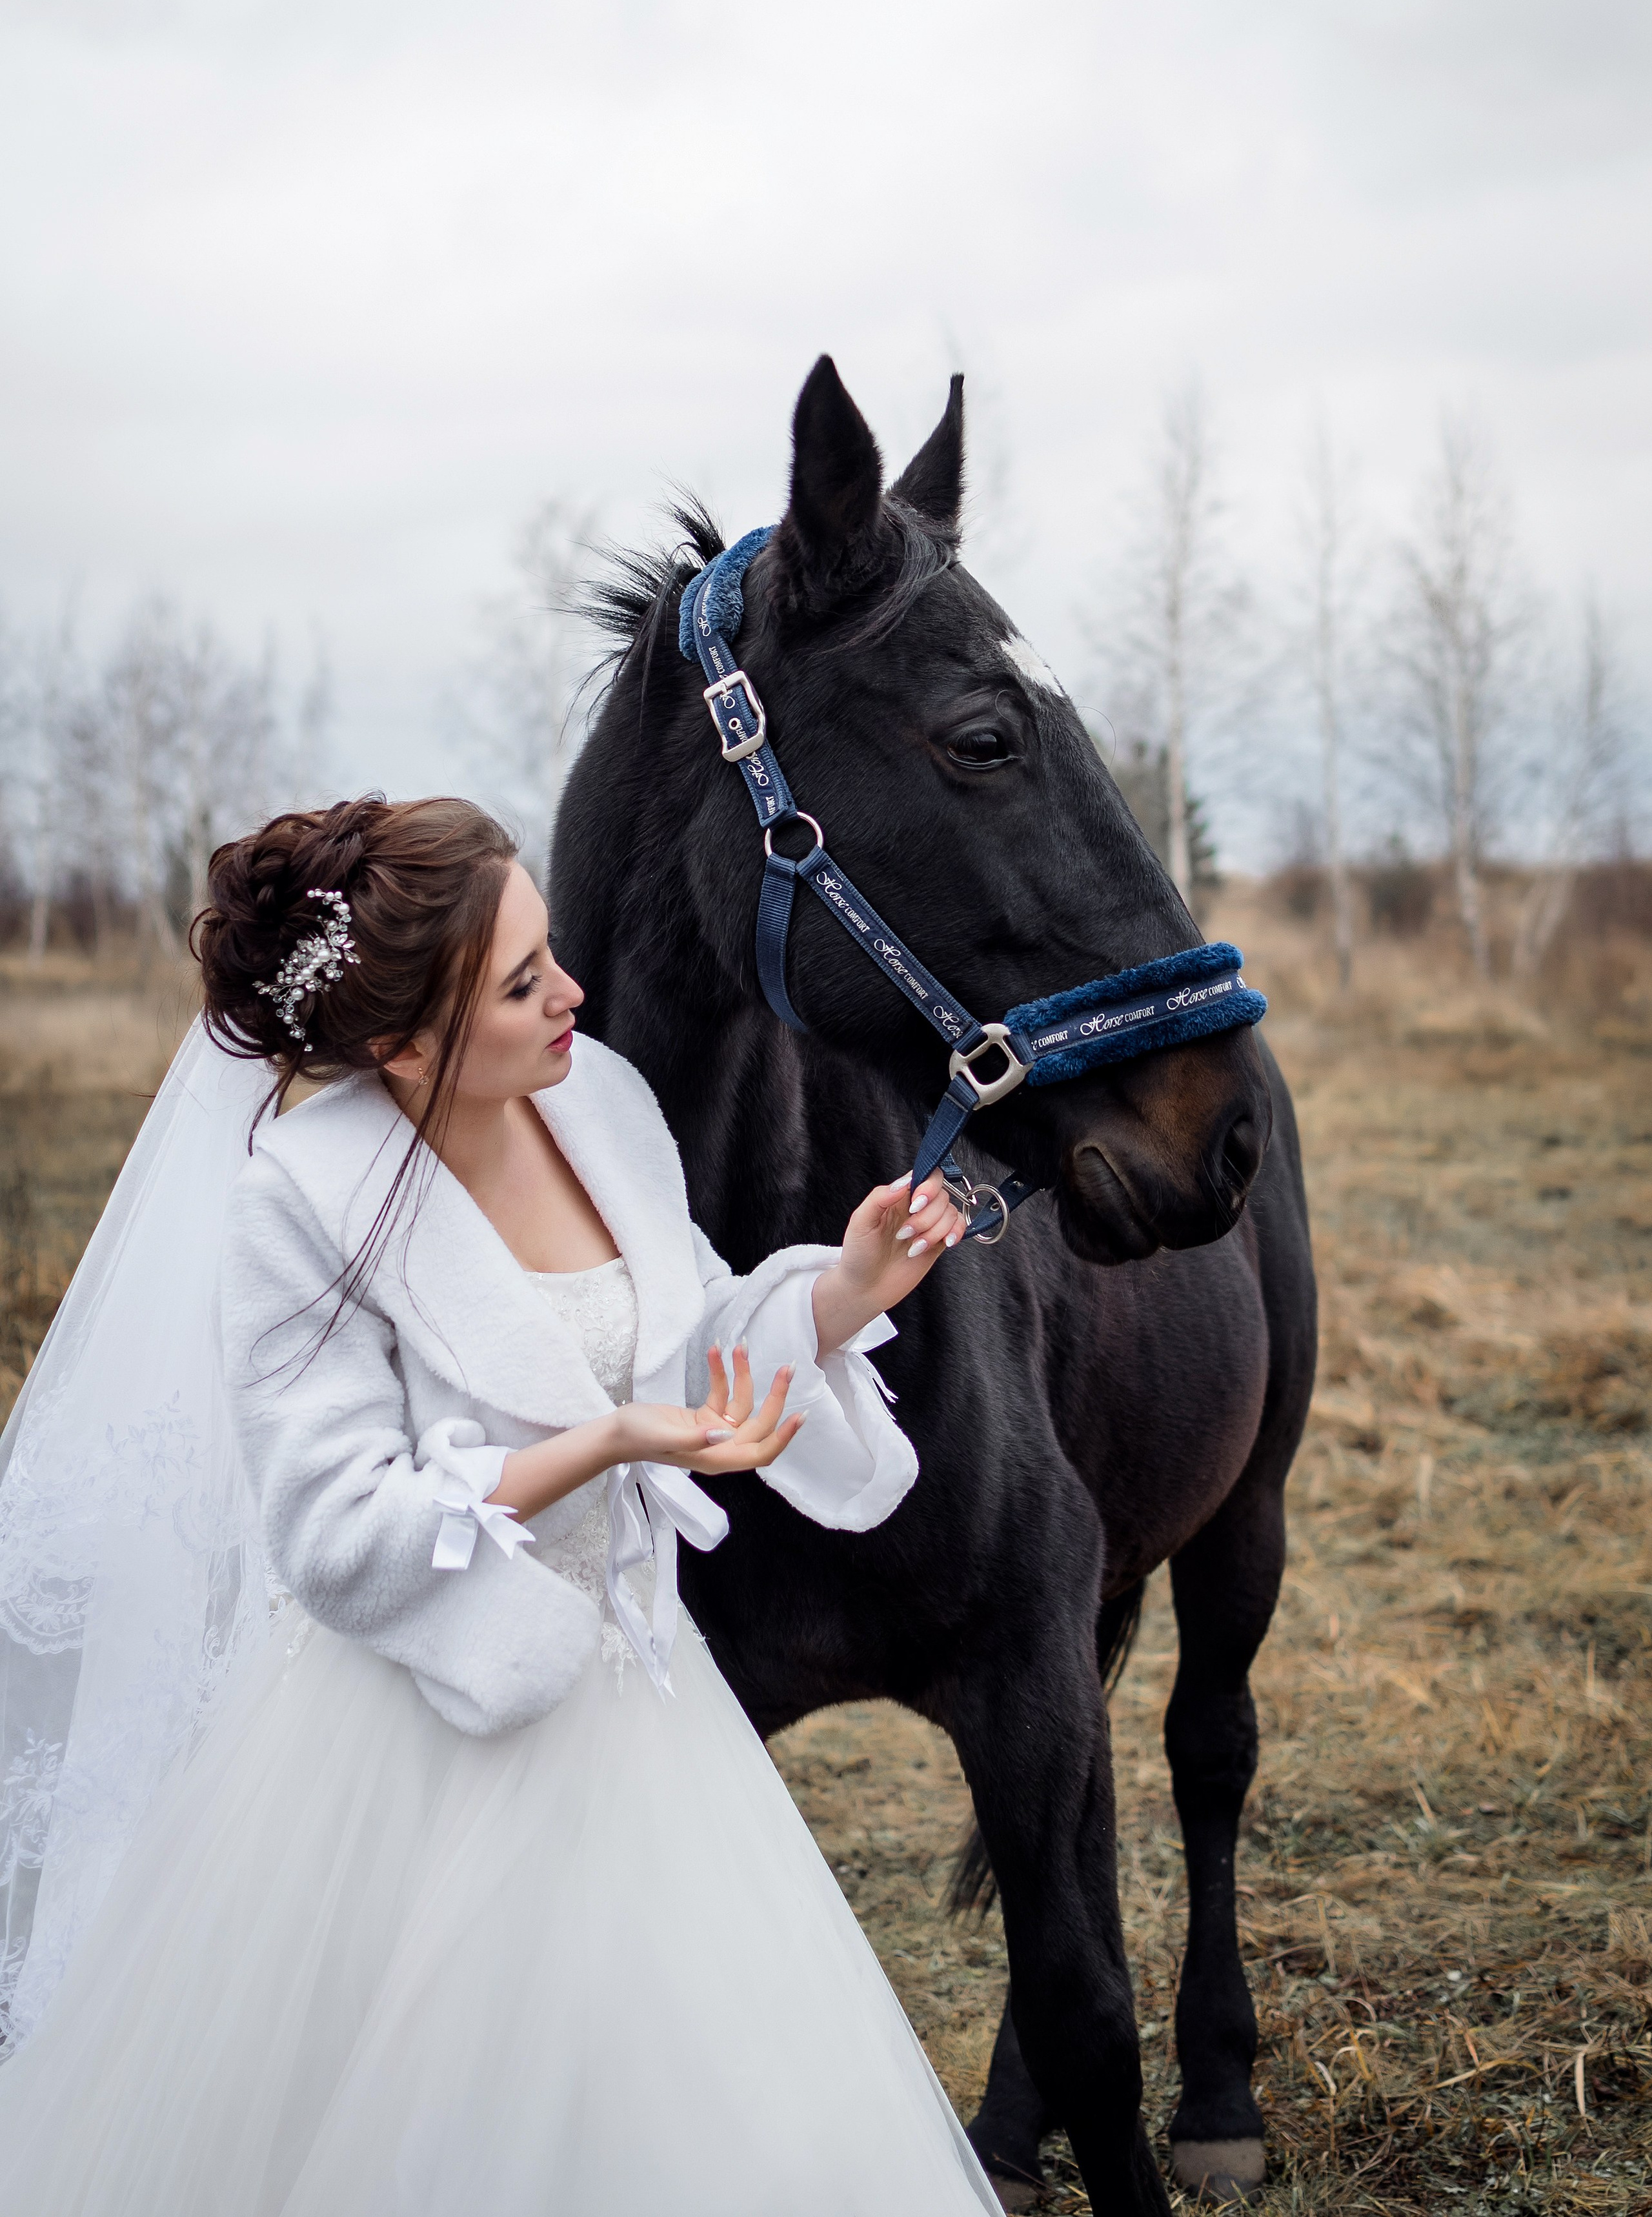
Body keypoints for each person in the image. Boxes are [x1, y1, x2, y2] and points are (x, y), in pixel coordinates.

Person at [0, 796, 998, 2216]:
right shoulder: (303, 1201)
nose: (571, 996)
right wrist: (596, 1445)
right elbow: (339, 1534)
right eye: (525, 983)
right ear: (403, 1046)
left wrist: (841, 1290)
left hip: (642, 1705)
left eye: (552, 955)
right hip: (420, 1730)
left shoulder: (598, 1101)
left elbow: (684, 1324)